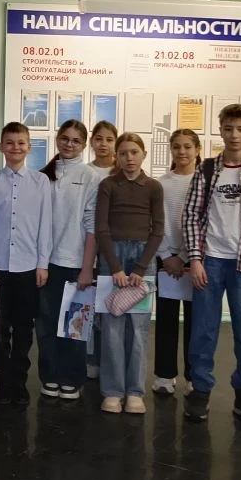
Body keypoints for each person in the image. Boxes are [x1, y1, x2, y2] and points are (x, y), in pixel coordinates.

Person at [183, 104, 241, 428]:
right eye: (228, 129)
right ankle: (200, 391)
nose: (234, 135)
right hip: (210, 262)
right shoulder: (207, 170)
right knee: (203, 331)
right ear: (220, 130)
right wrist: (195, 259)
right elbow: (191, 216)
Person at [95, 133, 164, 415]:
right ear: (117, 156)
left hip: (142, 259)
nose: (129, 158)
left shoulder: (154, 187)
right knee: (111, 326)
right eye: (123, 153)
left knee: (138, 328)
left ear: (143, 154)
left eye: (134, 152)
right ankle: (113, 391)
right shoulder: (108, 185)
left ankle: (135, 391)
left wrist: (140, 268)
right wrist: (115, 267)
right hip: (112, 256)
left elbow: (158, 230)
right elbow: (101, 228)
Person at [0, 122, 51, 406]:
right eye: (9, 142)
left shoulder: (40, 182)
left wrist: (42, 263)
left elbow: (45, 224)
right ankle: (2, 381)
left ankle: (19, 382)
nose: (15, 147)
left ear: (29, 147)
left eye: (21, 142)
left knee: (24, 327)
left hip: (27, 266)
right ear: (1, 147)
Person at [36, 121, 99, 401]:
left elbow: (92, 225)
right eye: (65, 138)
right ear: (57, 139)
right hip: (46, 262)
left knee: (75, 326)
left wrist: (87, 268)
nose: (69, 144)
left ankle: (72, 378)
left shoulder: (90, 176)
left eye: (76, 140)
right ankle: (50, 376)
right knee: (47, 325)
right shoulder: (43, 175)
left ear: (84, 144)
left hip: (77, 263)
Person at [153, 129, 201, 397]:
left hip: (194, 261)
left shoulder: (203, 183)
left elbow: (203, 223)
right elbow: (156, 223)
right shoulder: (160, 184)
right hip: (165, 261)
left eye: (187, 146)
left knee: (196, 321)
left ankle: (194, 376)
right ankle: (164, 375)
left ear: (197, 149)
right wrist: (166, 255)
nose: (182, 152)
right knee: (166, 320)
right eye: (177, 147)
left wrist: (184, 256)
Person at [86, 120, 117, 381]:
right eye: (99, 139)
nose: (103, 144)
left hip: (115, 248)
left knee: (111, 307)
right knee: (89, 306)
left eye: (109, 139)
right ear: (91, 142)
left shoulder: (123, 171)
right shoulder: (85, 172)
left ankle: (111, 361)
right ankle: (91, 359)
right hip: (88, 247)